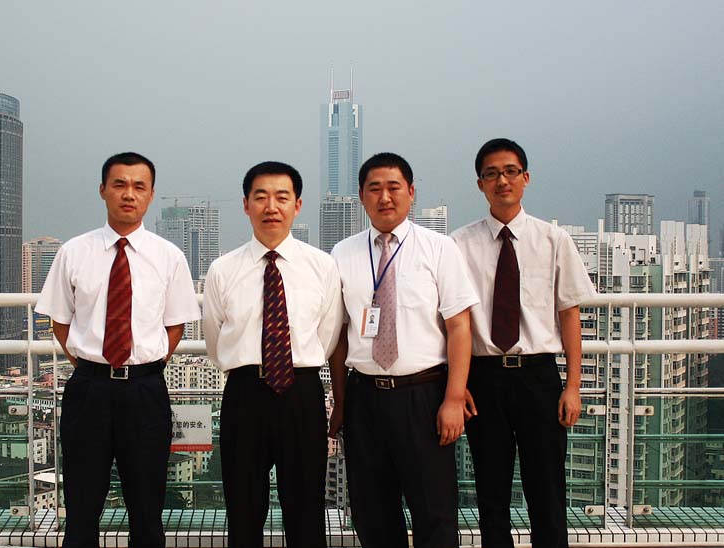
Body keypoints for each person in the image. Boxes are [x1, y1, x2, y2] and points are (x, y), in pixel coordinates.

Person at [36, 152, 200, 548]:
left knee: (147, 508)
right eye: (120, 185)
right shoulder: (74, 252)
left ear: (151, 195)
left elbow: (176, 324)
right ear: (103, 190)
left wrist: (145, 364)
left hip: (145, 391)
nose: (129, 194)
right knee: (81, 506)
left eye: (139, 186)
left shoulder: (169, 256)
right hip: (88, 389)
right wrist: (91, 364)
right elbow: (60, 320)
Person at [328, 152, 479, 548]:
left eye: (394, 187)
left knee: (434, 512)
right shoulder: (342, 253)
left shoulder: (439, 248)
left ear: (411, 192)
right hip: (364, 398)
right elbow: (338, 336)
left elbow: (459, 326)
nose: (385, 197)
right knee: (372, 514)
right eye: (374, 189)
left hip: (424, 396)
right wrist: (341, 401)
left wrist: (453, 398)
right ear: (361, 196)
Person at [452, 138, 595, 548]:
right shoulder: (459, 245)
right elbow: (454, 321)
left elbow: (569, 314)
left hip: (538, 376)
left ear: (526, 178)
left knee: (547, 488)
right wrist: (457, 385)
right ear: (480, 183)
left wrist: (573, 386)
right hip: (482, 379)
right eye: (492, 174)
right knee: (490, 490)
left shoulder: (554, 240)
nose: (502, 181)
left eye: (511, 171)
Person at [203, 161, 343, 548]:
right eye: (260, 197)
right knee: (243, 508)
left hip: (302, 393)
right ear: (245, 205)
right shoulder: (222, 270)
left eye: (282, 197)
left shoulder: (322, 266)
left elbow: (327, 335)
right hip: (244, 394)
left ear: (297, 205)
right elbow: (215, 339)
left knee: (306, 508)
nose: (271, 207)